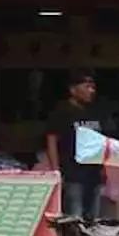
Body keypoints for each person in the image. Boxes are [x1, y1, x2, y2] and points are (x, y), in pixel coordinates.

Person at [45, 70, 107, 219]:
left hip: (94, 172)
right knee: (75, 216)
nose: (92, 91)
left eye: (93, 87)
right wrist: (55, 169)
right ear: (73, 89)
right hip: (73, 172)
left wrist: (104, 167)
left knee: (94, 216)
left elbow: (101, 141)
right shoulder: (62, 111)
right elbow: (51, 139)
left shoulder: (95, 111)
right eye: (87, 87)